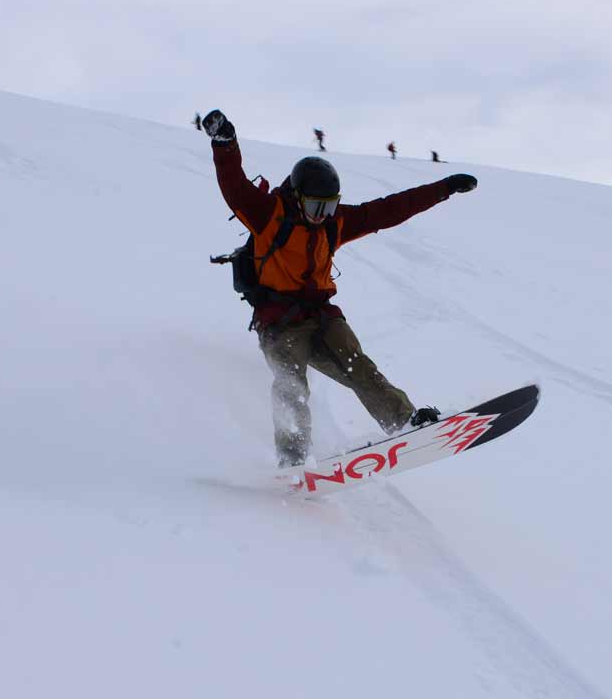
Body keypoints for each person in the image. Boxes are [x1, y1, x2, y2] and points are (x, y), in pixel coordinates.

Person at [203, 109, 478, 467]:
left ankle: (404, 420)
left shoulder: (334, 223)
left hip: (321, 317)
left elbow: (389, 210)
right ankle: (292, 460)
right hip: (279, 323)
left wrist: (443, 189)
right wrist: (225, 143)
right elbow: (235, 188)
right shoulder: (268, 214)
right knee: (291, 385)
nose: (322, 214)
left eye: (329, 206)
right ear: (297, 196)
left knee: (359, 366)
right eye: (315, 206)